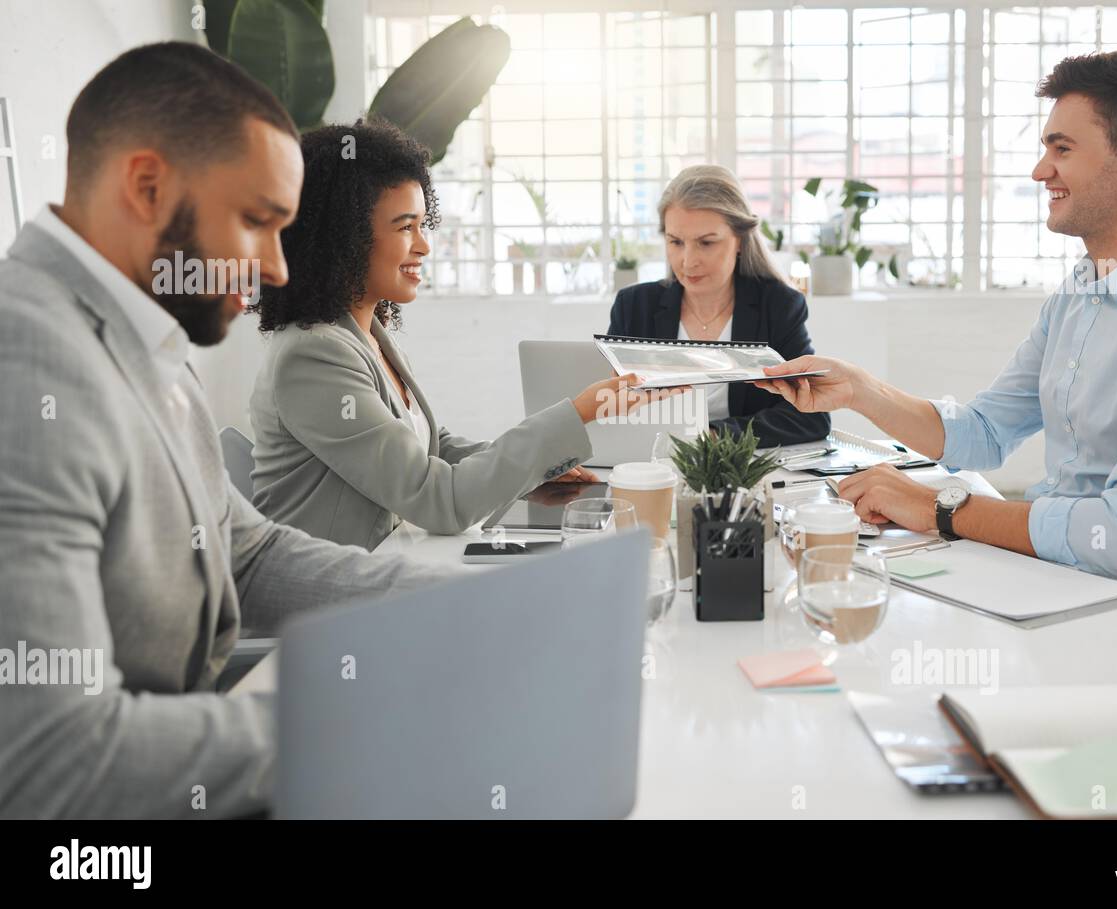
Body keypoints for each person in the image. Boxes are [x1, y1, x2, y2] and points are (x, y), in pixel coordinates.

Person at [1, 44, 477, 818]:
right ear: (147, 186)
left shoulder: (146, 338)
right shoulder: (26, 363)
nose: (278, 269)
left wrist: (469, 601)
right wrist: (373, 721)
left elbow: (245, 552)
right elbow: (56, 758)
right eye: (257, 221)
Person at [757, 49, 1117, 632]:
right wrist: (859, 390)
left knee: (874, 628)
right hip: (1049, 579)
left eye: (1062, 148)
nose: (1040, 170)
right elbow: (985, 434)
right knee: (834, 592)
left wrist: (938, 508)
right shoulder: (1082, 291)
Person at [248, 120, 662, 549]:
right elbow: (438, 501)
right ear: (344, 238)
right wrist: (579, 412)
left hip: (384, 567)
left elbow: (431, 448)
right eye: (405, 227)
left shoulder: (364, 332)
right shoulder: (313, 356)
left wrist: (529, 474)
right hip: (332, 600)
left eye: (423, 224)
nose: (424, 245)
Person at [608, 164, 831, 448]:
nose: (688, 261)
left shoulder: (778, 306)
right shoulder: (634, 306)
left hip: (740, 474)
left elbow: (811, 416)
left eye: (706, 243)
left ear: (739, 240)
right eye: (676, 242)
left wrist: (711, 437)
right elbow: (608, 408)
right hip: (652, 469)